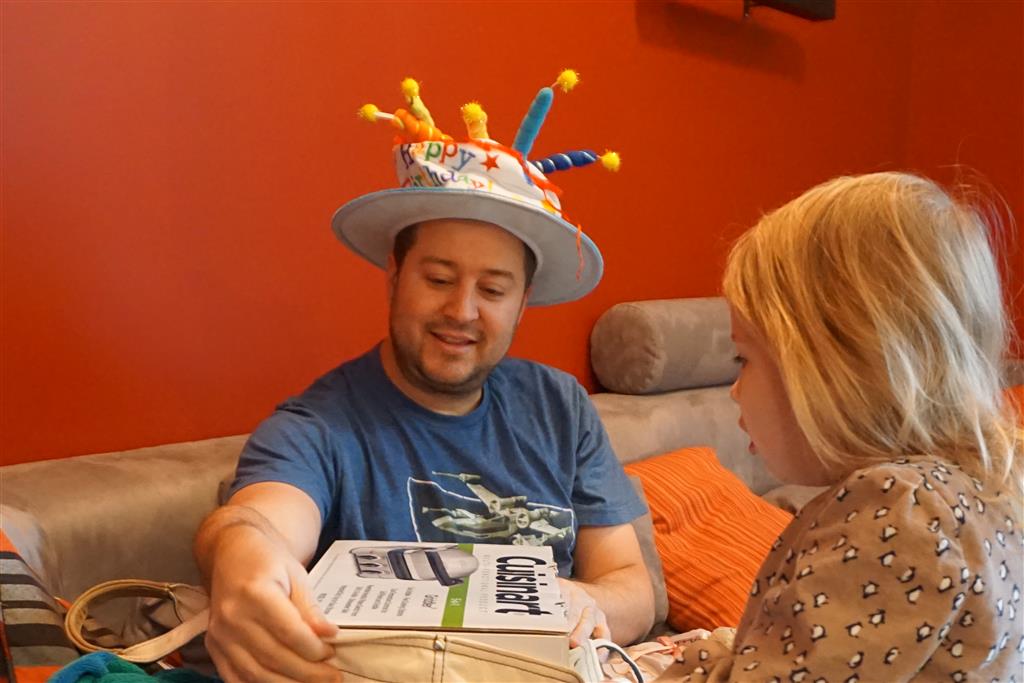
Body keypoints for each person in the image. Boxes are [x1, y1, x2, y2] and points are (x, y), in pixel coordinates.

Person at [193, 72, 654, 683]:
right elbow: (255, 522)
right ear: (394, 275)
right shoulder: (321, 425)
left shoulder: (560, 405)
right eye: (438, 279)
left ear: (523, 303)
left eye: (493, 290)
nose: (462, 311)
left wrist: (589, 602)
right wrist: (239, 555)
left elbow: (633, 586)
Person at [666, 172, 1023, 682]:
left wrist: (698, 664)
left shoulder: (898, 510)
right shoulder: (981, 492)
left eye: (743, 358)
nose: (734, 390)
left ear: (832, 369)